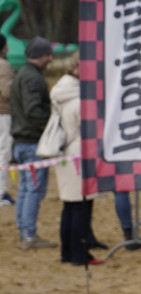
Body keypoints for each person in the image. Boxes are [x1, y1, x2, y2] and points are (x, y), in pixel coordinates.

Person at [50, 53, 102, 266]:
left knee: (70, 206)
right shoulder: (80, 99)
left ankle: (68, 253)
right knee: (81, 206)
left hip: (65, 153)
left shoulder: (60, 94)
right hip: (79, 154)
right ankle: (80, 255)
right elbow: (93, 128)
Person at [11, 36, 56, 248]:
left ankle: (24, 231)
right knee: (33, 190)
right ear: (41, 57)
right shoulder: (33, 79)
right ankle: (29, 235)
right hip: (32, 142)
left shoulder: (22, 74)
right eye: (49, 55)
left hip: (21, 141)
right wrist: (51, 128)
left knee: (25, 189)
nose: (51, 59)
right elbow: (33, 110)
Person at [0, 34, 15, 206]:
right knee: (3, 153)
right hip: (3, 114)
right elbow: (8, 92)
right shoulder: (3, 66)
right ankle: (1, 193)